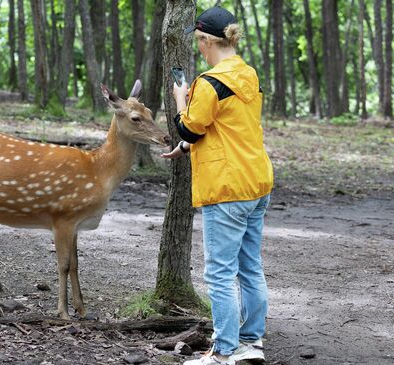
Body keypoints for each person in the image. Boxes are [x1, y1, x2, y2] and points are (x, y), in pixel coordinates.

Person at [161, 6, 274, 365]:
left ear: (208, 40)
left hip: (226, 188)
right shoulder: (249, 76)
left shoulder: (209, 83)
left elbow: (191, 127)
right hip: (257, 182)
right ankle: (252, 342)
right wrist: (186, 146)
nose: (199, 50)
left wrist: (182, 101)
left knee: (220, 272)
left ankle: (225, 350)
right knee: (249, 266)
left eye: (199, 43)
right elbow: (226, 127)